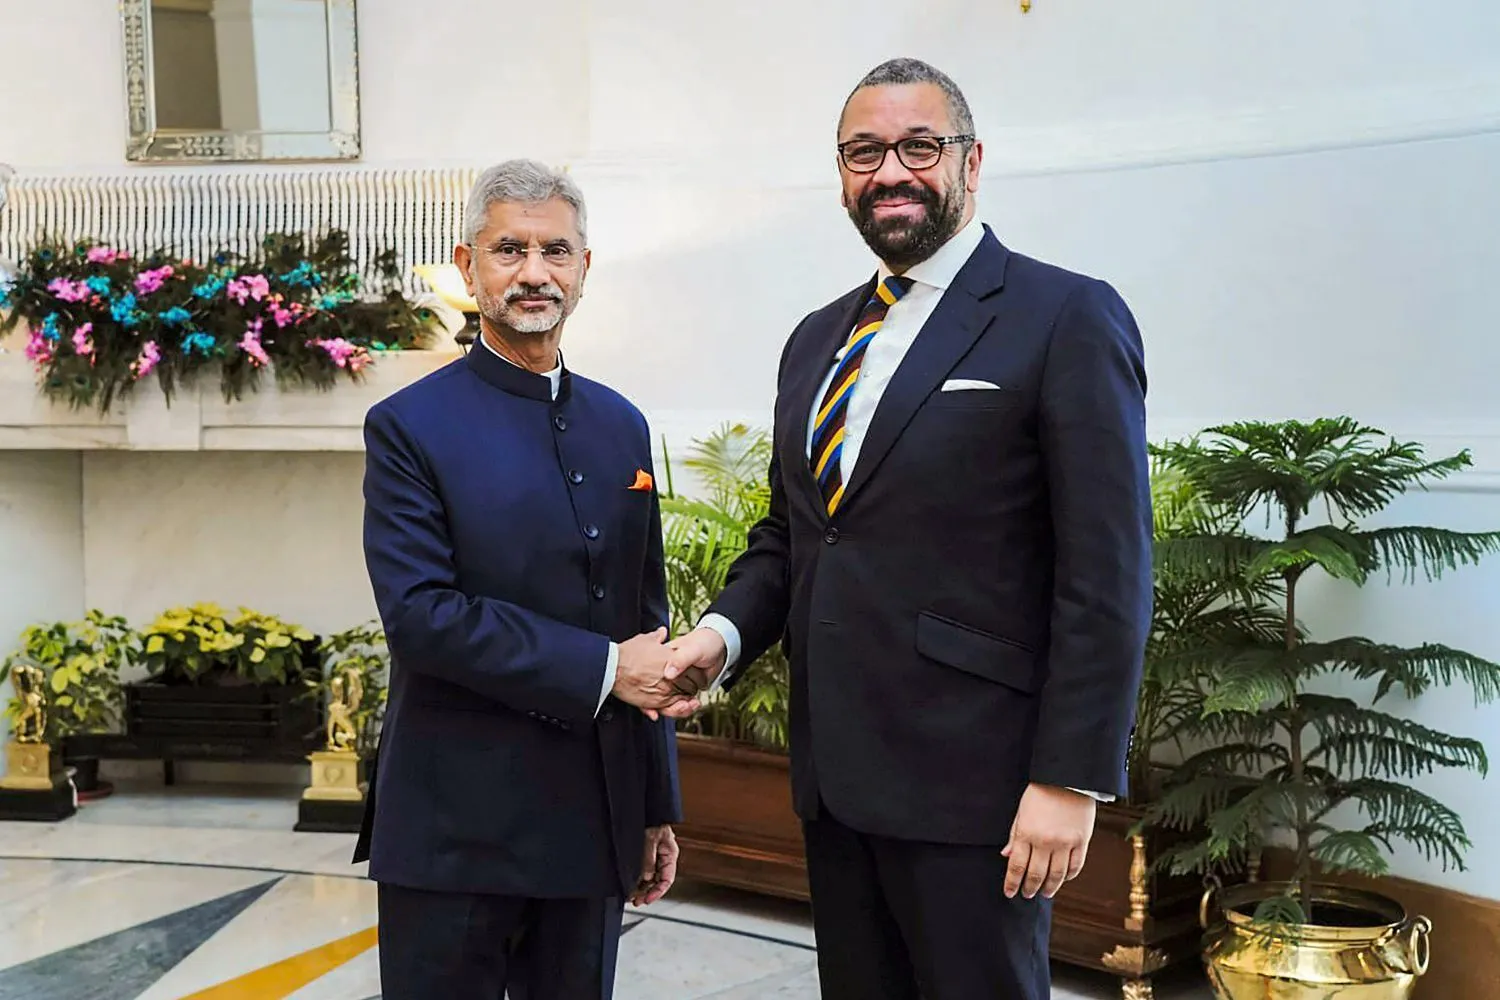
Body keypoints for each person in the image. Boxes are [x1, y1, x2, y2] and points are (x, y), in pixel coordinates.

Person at [664, 58, 1153, 1000]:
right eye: (863, 152)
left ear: (972, 164)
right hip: (838, 778)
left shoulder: (1065, 315)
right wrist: (717, 640)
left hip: (983, 789)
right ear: (842, 173)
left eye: (918, 146)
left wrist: (1071, 778)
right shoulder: (815, 340)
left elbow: (1109, 568)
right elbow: (794, 538)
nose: (890, 171)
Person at [355, 159, 699, 999]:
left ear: (585, 268)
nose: (535, 273)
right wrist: (610, 670)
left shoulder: (621, 423)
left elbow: (642, 619)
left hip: (589, 824)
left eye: (557, 251)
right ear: (468, 267)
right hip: (454, 830)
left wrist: (654, 805)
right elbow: (423, 617)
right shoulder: (407, 426)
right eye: (510, 249)